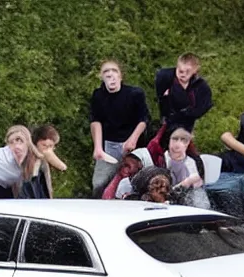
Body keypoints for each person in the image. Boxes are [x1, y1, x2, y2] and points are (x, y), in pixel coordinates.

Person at [89, 59, 151, 198]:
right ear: (101, 76)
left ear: (120, 76)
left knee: (138, 184)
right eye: (106, 72)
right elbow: (95, 121)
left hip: (134, 147)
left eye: (114, 71)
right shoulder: (98, 95)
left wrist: (132, 140)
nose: (110, 74)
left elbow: (143, 120)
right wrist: (97, 147)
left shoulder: (135, 93)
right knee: (99, 184)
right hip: (109, 146)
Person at [155, 53, 213, 134]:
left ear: (195, 70)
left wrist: (187, 113)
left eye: (187, 71)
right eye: (180, 71)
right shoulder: (165, 77)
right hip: (168, 115)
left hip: (187, 118)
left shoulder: (202, 87)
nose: (183, 74)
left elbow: (204, 106)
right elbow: (160, 96)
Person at [19, 124, 67, 199]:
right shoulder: (25, 156)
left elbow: (62, 167)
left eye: (50, 146)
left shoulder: (43, 161)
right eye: (44, 145)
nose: (47, 150)